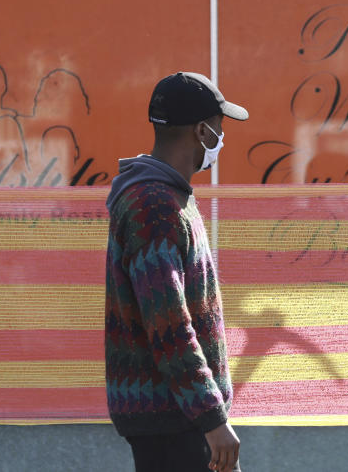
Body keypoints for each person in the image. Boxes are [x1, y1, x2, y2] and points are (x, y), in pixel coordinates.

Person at [105, 71, 247, 472]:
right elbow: (168, 325)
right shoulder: (154, 205)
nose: (222, 139)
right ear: (202, 131)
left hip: (182, 416)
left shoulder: (166, 195)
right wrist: (212, 420)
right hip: (174, 420)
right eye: (220, 129)